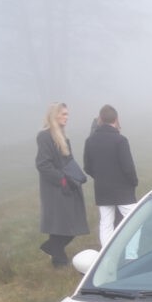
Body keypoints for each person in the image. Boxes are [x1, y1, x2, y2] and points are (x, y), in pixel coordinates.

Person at [35, 102, 89, 267]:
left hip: (67, 186)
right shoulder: (44, 136)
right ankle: (59, 261)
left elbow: (68, 161)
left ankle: (52, 250)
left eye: (67, 114)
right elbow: (43, 164)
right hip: (55, 188)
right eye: (64, 114)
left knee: (69, 225)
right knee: (61, 225)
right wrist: (62, 180)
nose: (67, 117)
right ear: (54, 115)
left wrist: (76, 177)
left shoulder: (63, 137)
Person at [83, 104, 139, 246]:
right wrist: (133, 182)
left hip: (102, 188)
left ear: (100, 119)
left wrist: (101, 177)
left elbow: (87, 167)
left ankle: (107, 256)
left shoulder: (90, 141)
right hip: (123, 189)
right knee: (133, 221)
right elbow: (128, 167)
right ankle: (131, 254)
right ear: (116, 119)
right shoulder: (120, 140)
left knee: (106, 223)